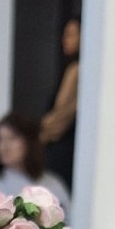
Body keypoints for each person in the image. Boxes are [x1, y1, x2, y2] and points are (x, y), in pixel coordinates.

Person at [0, 111, 70, 220]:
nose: (4, 146)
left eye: (12, 138)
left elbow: (69, 221)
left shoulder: (51, 184)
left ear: (28, 142)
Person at [40, 17, 80, 191]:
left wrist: (38, 136)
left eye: (71, 35)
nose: (65, 40)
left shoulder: (77, 69)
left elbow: (61, 115)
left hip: (63, 148)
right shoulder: (73, 68)